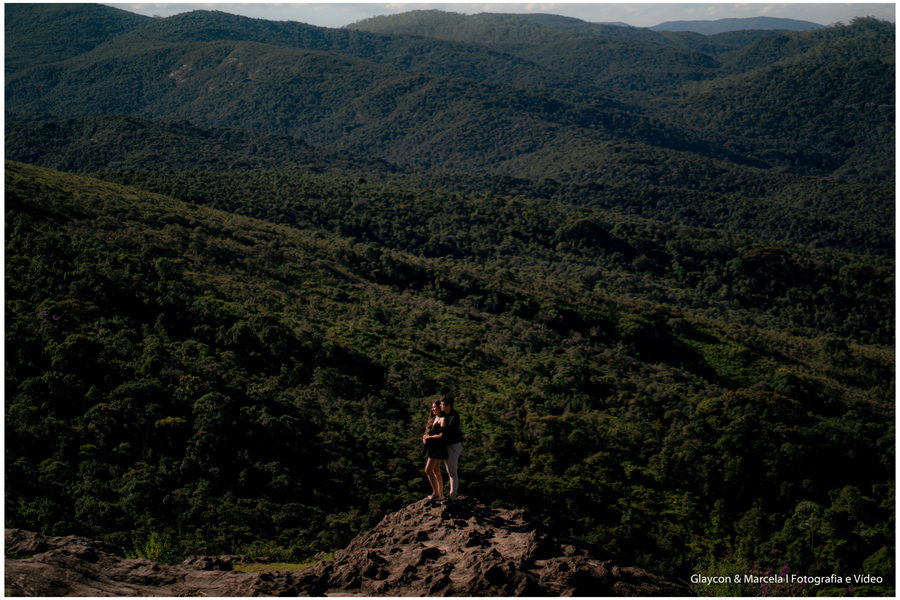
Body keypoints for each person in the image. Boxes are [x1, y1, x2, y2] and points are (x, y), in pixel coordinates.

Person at [438, 395, 463, 505]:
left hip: (453, 446)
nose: (441, 406)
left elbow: (448, 431)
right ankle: (451, 493)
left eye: (443, 405)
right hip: (449, 446)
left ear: (449, 405)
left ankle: (452, 497)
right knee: (450, 471)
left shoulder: (454, 417)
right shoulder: (447, 415)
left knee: (452, 471)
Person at [421, 400, 447, 503]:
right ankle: (440, 494)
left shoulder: (442, 419)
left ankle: (436, 494)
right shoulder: (434, 418)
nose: (433, 409)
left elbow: (442, 435)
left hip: (437, 449)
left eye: (435, 407)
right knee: (436, 471)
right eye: (432, 408)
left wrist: (430, 437)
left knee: (428, 470)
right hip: (432, 448)